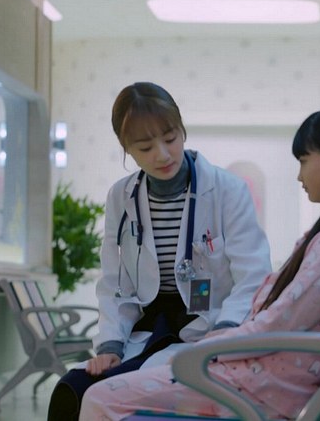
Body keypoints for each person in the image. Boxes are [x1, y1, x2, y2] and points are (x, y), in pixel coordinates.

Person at [78, 105, 320, 420]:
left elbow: (276, 323)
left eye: (303, 161)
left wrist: (209, 348)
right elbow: (280, 318)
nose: (298, 175)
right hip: (254, 375)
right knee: (94, 387)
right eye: (145, 147)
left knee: (99, 398)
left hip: (258, 386)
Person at [48, 82, 272, 420]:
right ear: (126, 149)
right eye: (145, 146)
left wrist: (224, 331)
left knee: (121, 395)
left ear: (182, 129)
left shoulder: (227, 190)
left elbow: (253, 275)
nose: (163, 154)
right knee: (71, 390)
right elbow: (114, 282)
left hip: (207, 324)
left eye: (170, 138)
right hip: (148, 327)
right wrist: (110, 345)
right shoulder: (121, 197)